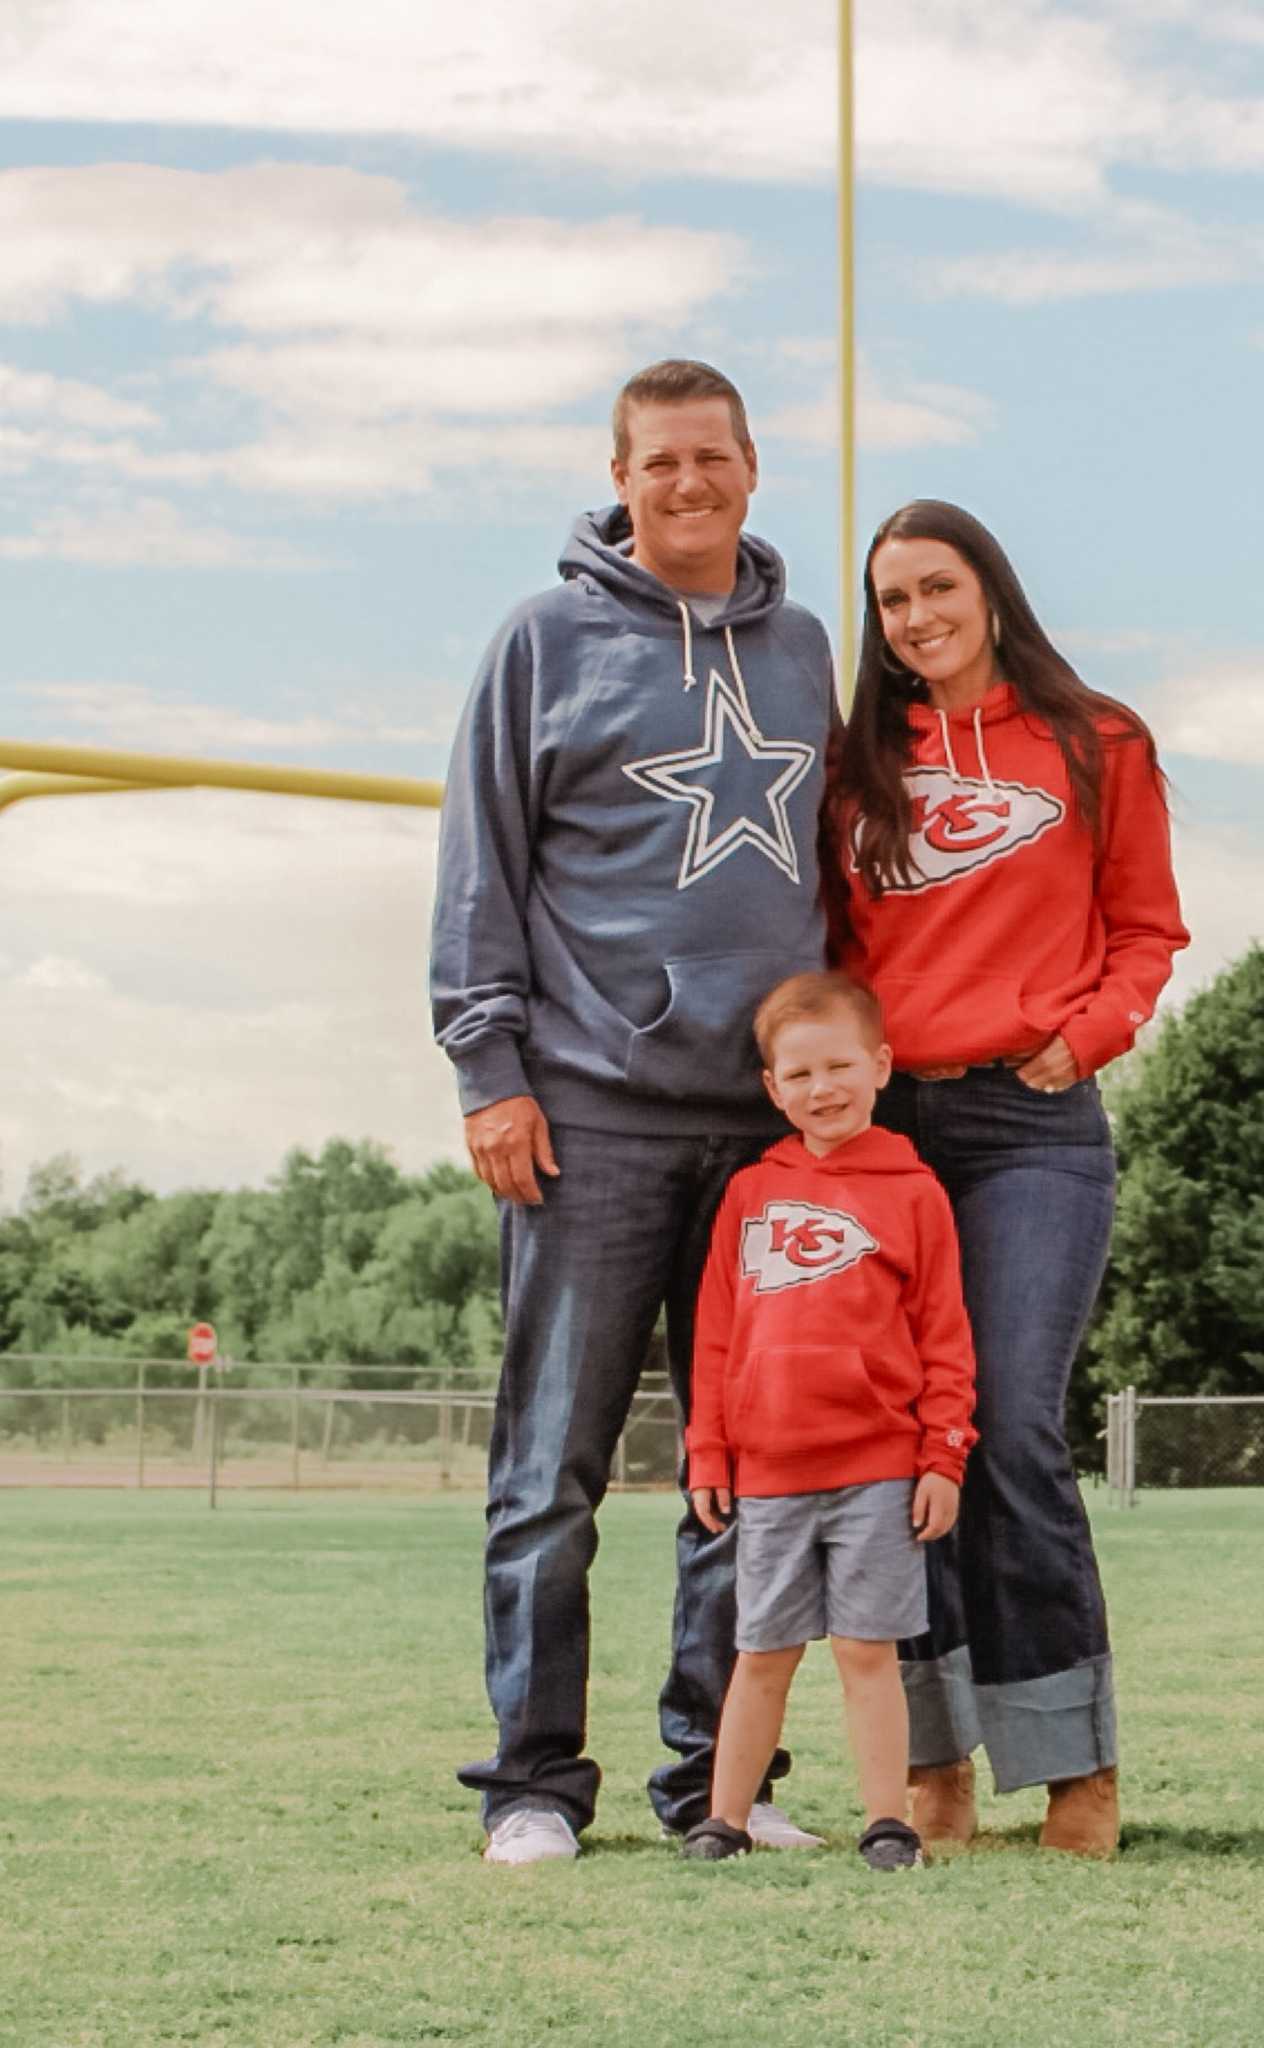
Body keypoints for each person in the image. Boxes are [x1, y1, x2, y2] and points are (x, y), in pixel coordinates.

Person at [431, 360, 839, 1866]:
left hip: (760, 1133)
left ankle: (710, 1782)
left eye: (711, 457)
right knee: (553, 1470)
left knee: (745, 1468)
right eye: (658, 461)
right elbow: (479, 860)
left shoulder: (799, 647)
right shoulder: (542, 639)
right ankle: (533, 1782)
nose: (687, 483)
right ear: (619, 474)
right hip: (588, 1116)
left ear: (750, 465)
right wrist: (489, 1069)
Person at [829, 500, 1188, 1857]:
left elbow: (1145, 931)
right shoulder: (856, 765)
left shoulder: (1098, 740)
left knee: (1015, 1428)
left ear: (988, 589)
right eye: (890, 602)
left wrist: (1085, 1032)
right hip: (891, 1136)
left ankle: (1072, 1766)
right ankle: (933, 1761)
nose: (914, 618)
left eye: (936, 587)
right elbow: (825, 952)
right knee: (907, 1443)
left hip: (1035, 1129)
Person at [680, 972, 978, 1872]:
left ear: (881, 1065)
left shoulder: (914, 1193)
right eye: (800, 1074)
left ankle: (886, 1823)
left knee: (864, 1650)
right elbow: (716, 1336)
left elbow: (944, 1335)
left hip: (880, 1471)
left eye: (840, 1065)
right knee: (761, 1653)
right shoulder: (748, 1195)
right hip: (768, 1472)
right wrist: (708, 1449)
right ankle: (723, 1820)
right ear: (773, 1089)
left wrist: (943, 1454)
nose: (823, 1089)